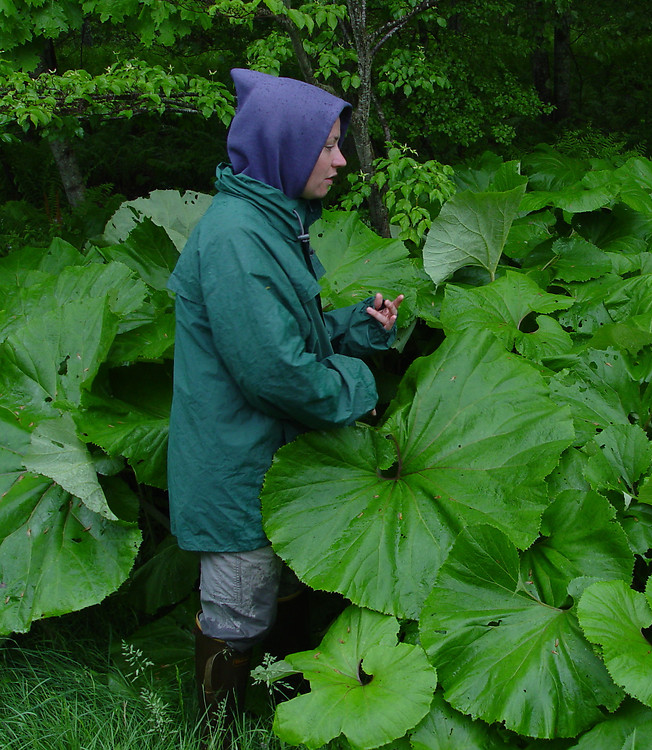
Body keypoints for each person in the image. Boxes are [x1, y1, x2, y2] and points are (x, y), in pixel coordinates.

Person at [166, 68, 403, 737]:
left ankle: (270, 717)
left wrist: (358, 327)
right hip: (235, 465)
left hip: (266, 456)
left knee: (280, 596)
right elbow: (277, 375)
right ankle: (214, 732)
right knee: (237, 614)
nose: (341, 160)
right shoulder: (238, 241)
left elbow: (285, 335)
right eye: (327, 146)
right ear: (283, 148)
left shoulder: (268, 221)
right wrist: (359, 387)